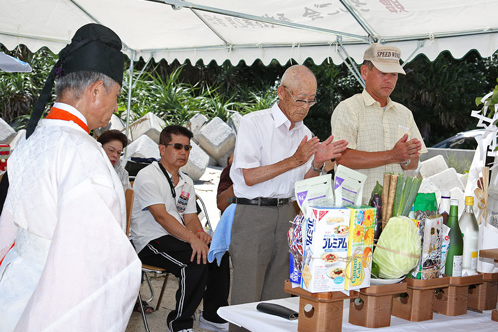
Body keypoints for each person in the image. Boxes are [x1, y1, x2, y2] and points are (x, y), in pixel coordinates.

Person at [0, 23, 141, 331]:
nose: (115, 107)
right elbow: (96, 255)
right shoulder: (83, 151)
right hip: (55, 293)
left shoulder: (29, 139)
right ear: (95, 91)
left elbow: (7, 221)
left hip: (15, 281)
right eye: (116, 96)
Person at [228, 65, 348, 331]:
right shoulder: (254, 123)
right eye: (300, 98)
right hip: (254, 215)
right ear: (282, 92)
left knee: (278, 299)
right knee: (246, 299)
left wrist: (316, 164)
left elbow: (304, 190)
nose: (305, 107)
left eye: (311, 100)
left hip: (289, 215)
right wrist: (295, 159)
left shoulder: (306, 136)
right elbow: (248, 176)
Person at [131, 125, 229, 332]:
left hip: (176, 238)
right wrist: (192, 240)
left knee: (217, 254)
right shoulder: (147, 175)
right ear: (162, 149)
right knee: (193, 261)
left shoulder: (185, 181)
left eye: (187, 148)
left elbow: (190, 218)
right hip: (150, 241)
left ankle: (212, 316)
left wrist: (200, 233)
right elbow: (161, 217)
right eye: (177, 146)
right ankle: (179, 323)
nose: (183, 152)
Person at [331, 44, 427, 204]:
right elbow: (343, 158)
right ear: (364, 72)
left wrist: (405, 159)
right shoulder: (348, 108)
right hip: (358, 210)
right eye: (383, 73)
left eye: (394, 74)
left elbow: (414, 162)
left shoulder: (404, 113)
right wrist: (392, 155)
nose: (389, 80)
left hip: (396, 209)